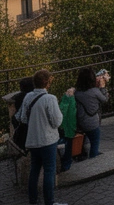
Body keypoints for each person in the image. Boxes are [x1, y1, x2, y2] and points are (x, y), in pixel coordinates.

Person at [15, 69, 66, 205]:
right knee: (49, 171)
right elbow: (57, 122)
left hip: (32, 140)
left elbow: (23, 118)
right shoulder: (50, 98)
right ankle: (49, 202)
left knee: (34, 170)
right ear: (47, 83)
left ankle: (33, 201)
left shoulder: (28, 97)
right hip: (48, 140)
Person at [73, 68, 108, 161]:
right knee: (94, 142)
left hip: (80, 122)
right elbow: (104, 99)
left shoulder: (76, 92)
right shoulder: (95, 91)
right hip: (92, 123)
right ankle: (93, 160)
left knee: (84, 139)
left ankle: (81, 155)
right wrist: (102, 87)